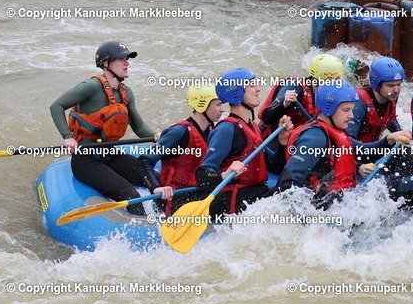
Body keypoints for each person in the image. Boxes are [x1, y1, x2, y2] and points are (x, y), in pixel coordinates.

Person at [50, 41, 170, 215]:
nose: (127, 63)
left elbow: (138, 125)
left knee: (160, 181)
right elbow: (56, 106)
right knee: (131, 195)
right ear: (106, 64)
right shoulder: (92, 86)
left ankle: (166, 217)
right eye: (122, 59)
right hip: (86, 160)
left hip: (110, 155)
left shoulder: (126, 92)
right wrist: (67, 137)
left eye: (127, 59)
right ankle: (142, 230)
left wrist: (157, 136)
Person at [274, 81, 413, 209]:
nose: (351, 116)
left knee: (409, 161)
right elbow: (287, 185)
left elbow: (362, 152)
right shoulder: (315, 138)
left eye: (352, 110)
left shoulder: (333, 131)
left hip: (344, 196)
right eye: (346, 110)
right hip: (329, 205)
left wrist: (389, 140)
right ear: (329, 109)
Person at [195, 68, 294, 216]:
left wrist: (282, 142)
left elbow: (275, 167)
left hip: (255, 194)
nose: (258, 89)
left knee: (295, 190)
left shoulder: (252, 126)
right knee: (292, 195)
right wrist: (225, 174)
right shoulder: (226, 129)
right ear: (237, 93)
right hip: (237, 202)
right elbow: (202, 175)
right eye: (252, 85)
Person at [140, 86, 223, 216]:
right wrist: (155, 188)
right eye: (218, 104)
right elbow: (144, 161)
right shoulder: (179, 132)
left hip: (198, 192)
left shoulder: (210, 132)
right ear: (202, 105)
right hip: (175, 199)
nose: (222, 109)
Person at [259, 54, 344, 132]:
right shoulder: (294, 88)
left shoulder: (330, 93)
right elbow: (266, 118)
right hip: (276, 136)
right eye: (336, 80)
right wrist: (284, 104)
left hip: (305, 135)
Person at [347, 57, 404, 142]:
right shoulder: (359, 103)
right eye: (390, 85)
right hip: (358, 148)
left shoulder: (391, 96)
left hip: (373, 147)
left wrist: (400, 134)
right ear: (376, 84)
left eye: (399, 84)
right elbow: (348, 142)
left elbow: (389, 118)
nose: (396, 90)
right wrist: (385, 141)